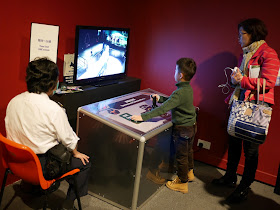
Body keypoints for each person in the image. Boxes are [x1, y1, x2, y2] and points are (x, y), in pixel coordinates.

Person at [5, 57, 91, 209]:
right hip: (42, 168)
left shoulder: (13, 101)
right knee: (84, 163)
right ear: (53, 83)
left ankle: (30, 187)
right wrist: (76, 153)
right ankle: (68, 203)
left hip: (15, 161)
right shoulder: (53, 109)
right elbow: (69, 140)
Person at [212, 18, 280, 203]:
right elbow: (243, 83)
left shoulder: (269, 54)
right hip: (240, 104)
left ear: (253, 33)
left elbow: (268, 83)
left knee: (250, 151)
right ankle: (230, 177)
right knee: (233, 143)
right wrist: (233, 91)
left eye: (241, 34)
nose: (239, 38)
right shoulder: (247, 54)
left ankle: (245, 186)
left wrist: (241, 80)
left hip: (256, 109)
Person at [131, 57, 197, 193]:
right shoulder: (187, 89)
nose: (173, 72)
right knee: (188, 152)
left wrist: (142, 117)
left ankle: (182, 183)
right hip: (191, 126)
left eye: (175, 70)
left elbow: (163, 109)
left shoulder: (179, 93)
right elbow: (172, 101)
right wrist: (160, 98)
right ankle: (189, 173)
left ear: (180, 75)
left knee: (181, 156)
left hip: (182, 129)